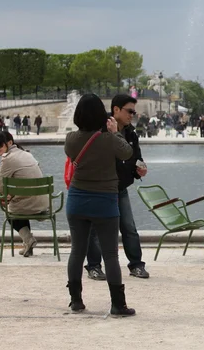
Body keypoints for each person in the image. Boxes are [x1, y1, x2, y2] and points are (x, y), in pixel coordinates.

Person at [64, 93, 135, 316]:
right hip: (104, 200)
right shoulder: (109, 139)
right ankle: (117, 304)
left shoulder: (71, 139)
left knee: (77, 251)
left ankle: (76, 300)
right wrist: (114, 133)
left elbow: (72, 154)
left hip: (77, 199)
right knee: (111, 255)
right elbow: (127, 152)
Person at [85, 94, 150, 281]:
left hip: (120, 187)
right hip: (101, 188)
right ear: (116, 110)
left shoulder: (130, 133)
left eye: (134, 112)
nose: (132, 115)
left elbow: (135, 156)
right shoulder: (100, 129)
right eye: (130, 111)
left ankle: (136, 265)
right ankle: (94, 266)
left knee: (129, 227)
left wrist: (139, 170)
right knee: (96, 230)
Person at [0, 131, 49, 257]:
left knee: (10, 212)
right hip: (44, 202)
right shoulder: (26, 154)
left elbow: (0, 185)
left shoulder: (7, 158)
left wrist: (6, 196)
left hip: (29, 203)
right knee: (18, 204)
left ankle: (28, 240)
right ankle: (27, 244)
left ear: (8, 144)